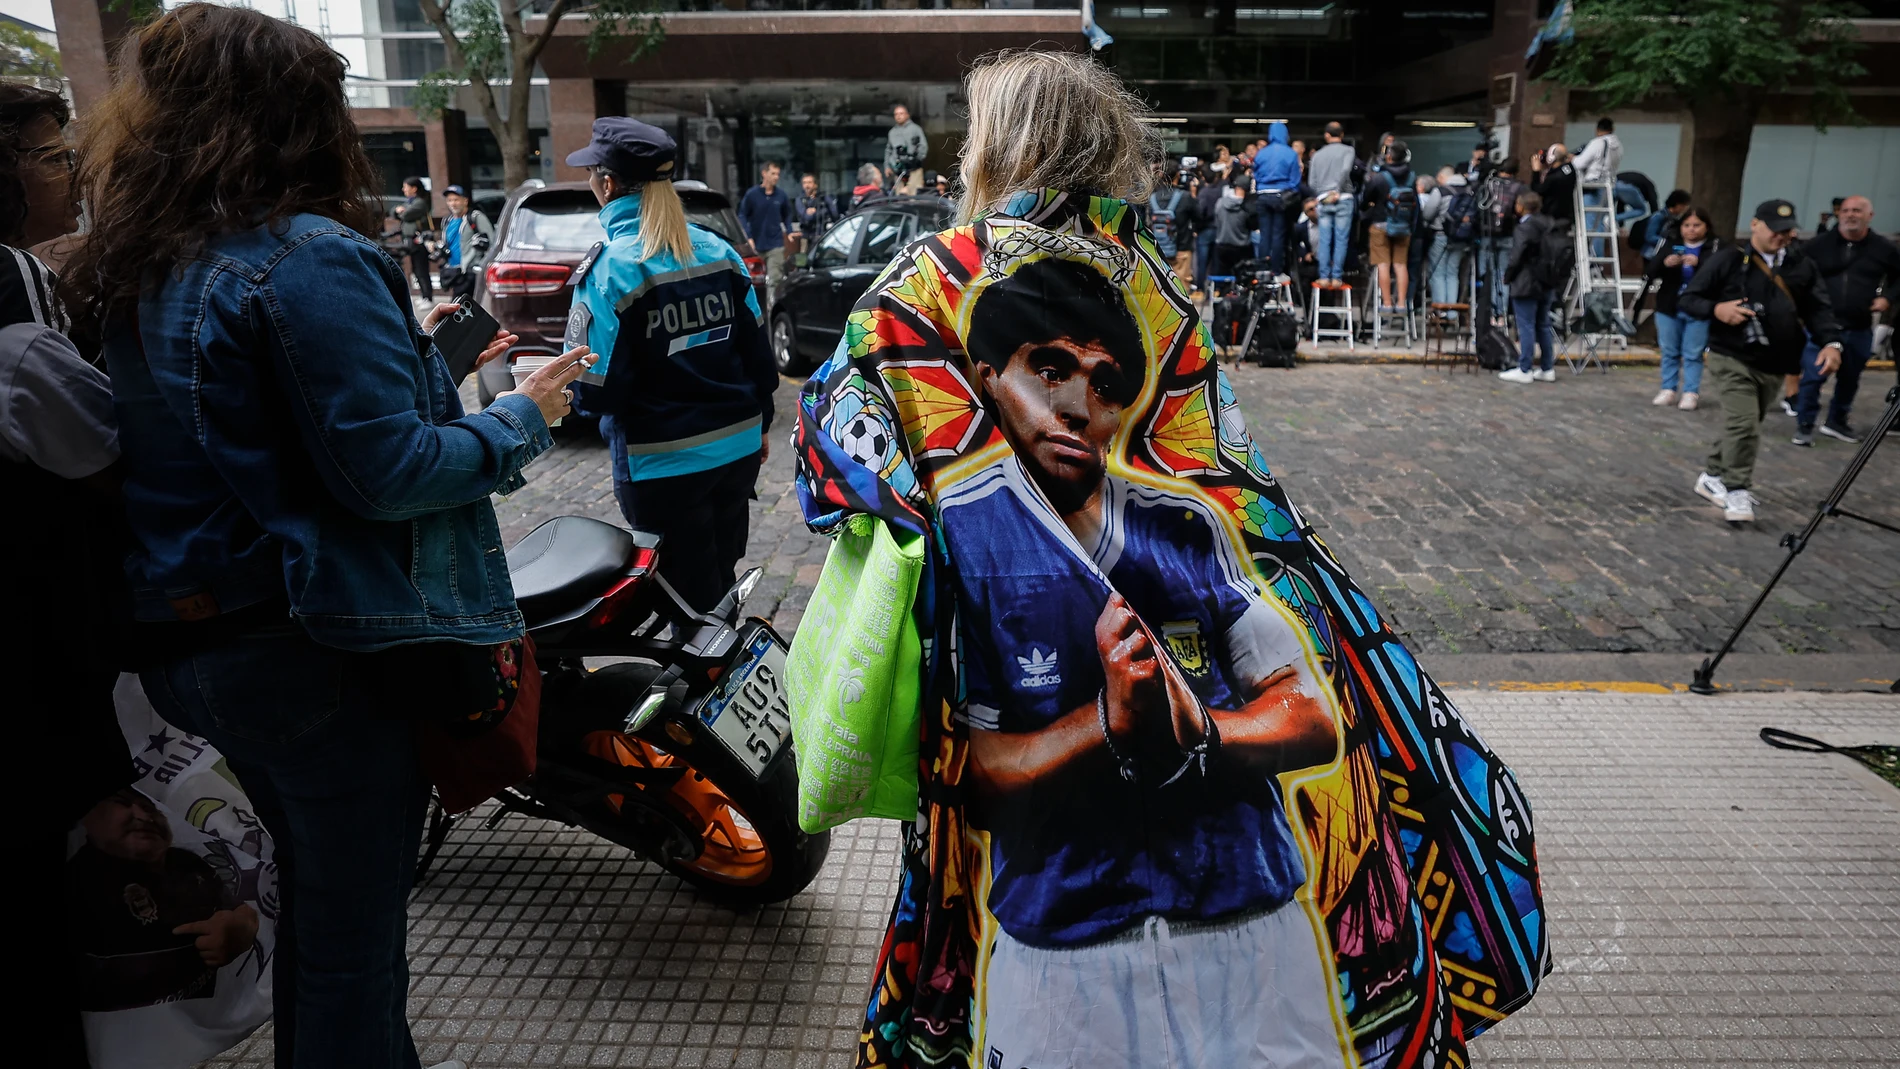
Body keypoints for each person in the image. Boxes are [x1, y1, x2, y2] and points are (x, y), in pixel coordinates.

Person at [796, 49, 1544, 1069]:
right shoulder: (1161, 294)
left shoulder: (913, 295)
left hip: (1042, 878)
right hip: (1242, 879)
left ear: (994, 147)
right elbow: (1234, 482)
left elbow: (832, 476)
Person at [64, 7, 591, 1065]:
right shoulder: (306, 257)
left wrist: (415, 366)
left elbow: (267, 442)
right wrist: (522, 416)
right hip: (311, 650)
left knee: (314, 906)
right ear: (299, 113)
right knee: (353, 944)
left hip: (194, 643)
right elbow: (387, 475)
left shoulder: (138, 259)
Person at [0, 79, 135, 1065]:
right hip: (33, 640)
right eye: (51, 155)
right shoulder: (12, 284)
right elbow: (92, 445)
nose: (71, 170)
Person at [563, 118, 777, 613]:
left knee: (684, 598)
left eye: (591, 174)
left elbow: (598, 391)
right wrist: (760, 424)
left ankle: (707, 683)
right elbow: (758, 360)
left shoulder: (611, 269)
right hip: (739, 449)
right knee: (720, 578)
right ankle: (731, 670)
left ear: (608, 183)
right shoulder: (720, 251)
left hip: (661, 463)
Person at [1680, 199, 1843, 524]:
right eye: (1775, 229)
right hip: (1732, 356)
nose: (1781, 236)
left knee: (1745, 424)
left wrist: (1831, 343)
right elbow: (1689, 298)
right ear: (1755, 225)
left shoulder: (1800, 263)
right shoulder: (1728, 259)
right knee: (1743, 424)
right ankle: (1737, 488)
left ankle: (1712, 474)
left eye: (1787, 231)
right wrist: (1717, 310)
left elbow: (1819, 308)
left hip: (1775, 362)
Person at [67, 787, 260, 1011]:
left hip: (199, 1020)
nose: (143, 816)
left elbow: (243, 912)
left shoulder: (188, 863)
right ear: (88, 820)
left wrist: (241, 930)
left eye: (150, 808)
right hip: (133, 1036)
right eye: (121, 804)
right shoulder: (78, 884)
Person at [1791, 194, 1899, 446]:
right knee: (1813, 376)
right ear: (1839, 214)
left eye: (1857, 211)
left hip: (1859, 324)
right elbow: (1796, 274)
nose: (1851, 215)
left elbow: (1898, 277)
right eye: (1847, 210)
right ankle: (1805, 424)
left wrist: (1889, 299)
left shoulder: (1883, 248)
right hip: (1821, 324)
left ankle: (1836, 421)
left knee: (1850, 377)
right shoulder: (1818, 245)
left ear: (1869, 216)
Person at [1644, 206, 1720, 410]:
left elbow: (1719, 276)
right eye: (1687, 225)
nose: (1691, 230)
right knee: (1669, 350)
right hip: (1669, 305)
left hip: (1698, 307)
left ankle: (1690, 392)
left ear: (1706, 227)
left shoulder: (1713, 247)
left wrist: (1699, 264)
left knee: (1693, 352)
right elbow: (1650, 270)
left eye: (1697, 225)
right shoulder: (1670, 244)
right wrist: (1665, 263)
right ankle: (1668, 388)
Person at [1499, 190, 1558, 384]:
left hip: (1526, 280)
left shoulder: (1525, 228)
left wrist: (1507, 276)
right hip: (1547, 280)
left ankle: (1525, 368)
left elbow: (1517, 256)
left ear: (1521, 207)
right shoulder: (1549, 224)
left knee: (1526, 324)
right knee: (1543, 324)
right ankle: (1547, 367)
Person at [1360, 139, 1415, 313]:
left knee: (1383, 264)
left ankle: (1386, 303)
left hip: (1380, 223)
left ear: (1388, 157)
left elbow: (1366, 198)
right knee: (1400, 265)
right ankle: (1401, 303)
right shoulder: (1412, 177)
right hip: (1403, 226)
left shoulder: (1379, 178)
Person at [1305, 122, 1357, 289]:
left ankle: (1324, 276)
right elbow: (1346, 170)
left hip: (1323, 198)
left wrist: (1323, 193)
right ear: (1341, 135)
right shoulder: (1348, 150)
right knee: (1341, 239)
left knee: (1325, 239)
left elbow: (1312, 182)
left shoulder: (1317, 155)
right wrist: (1337, 190)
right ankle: (1336, 277)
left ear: (1326, 136)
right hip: (1343, 197)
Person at [1250, 121, 1300, 276]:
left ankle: (1262, 268)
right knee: (1278, 234)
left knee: (1265, 234)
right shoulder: (1290, 153)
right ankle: (1276, 270)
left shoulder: (1262, 153)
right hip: (1281, 197)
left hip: (1263, 196)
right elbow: (1295, 180)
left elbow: (1256, 175)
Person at [739, 161, 798, 291]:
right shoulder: (752, 194)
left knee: (775, 279)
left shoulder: (781, 195)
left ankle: (772, 307)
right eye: (773, 173)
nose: (776, 177)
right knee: (754, 281)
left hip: (775, 244)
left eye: (778, 174)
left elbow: (787, 215)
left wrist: (789, 231)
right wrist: (748, 237)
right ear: (764, 174)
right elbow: (742, 214)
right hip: (756, 244)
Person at [1477, 156, 1525, 315]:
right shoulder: (1520, 187)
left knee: (1486, 274)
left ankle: (1487, 312)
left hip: (1487, 233)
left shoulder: (1488, 184)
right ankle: (1501, 314)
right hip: (1508, 233)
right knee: (1503, 275)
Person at [436, 183, 493, 301]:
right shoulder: (447, 220)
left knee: (457, 306)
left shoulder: (475, 217)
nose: (453, 203)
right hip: (453, 271)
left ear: (465, 201)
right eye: (450, 200)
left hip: (470, 271)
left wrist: (481, 266)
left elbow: (491, 244)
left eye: (456, 200)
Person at [391, 175, 434, 300]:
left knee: (421, 270)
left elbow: (405, 215)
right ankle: (424, 296)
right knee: (415, 269)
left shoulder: (420, 202)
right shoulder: (411, 202)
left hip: (420, 240)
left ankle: (428, 297)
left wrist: (401, 211)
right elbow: (393, 211)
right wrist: (398, 210)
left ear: (414, 188)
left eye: (406, 187)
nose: (403, 189)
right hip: (410, 240)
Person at [1210, 178, 1254, 279]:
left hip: (1222, 244)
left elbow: (1216, 222)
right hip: (1241, 247)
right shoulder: (1247, 207)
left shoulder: (1220, 203)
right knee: (1243, 277)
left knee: (1223, 276)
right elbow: (1251, 225)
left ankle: (1222, 291)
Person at [1191, 161, 1224, 293]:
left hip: (1205, 229)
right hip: (1218, 228)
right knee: (1216, 261)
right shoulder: (1220, 191)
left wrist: (1196, 228)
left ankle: (1200, 288)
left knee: (1202, 262)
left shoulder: (1204, 193)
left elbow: (1200, 212)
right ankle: (1216, 288)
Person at [886, 103, 929, 195]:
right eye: (896, 114)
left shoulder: (915, 129)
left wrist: (918, 159)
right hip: (898, 169)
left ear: (907, 115)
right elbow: (888, 150)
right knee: (899, 197)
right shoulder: (892, 132)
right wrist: (887, 166)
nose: (898, 116)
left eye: (901, 113)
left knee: (914, 194)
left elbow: (923, 146)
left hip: (914, 168)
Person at [1532, 143, 1576, 225]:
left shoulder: (1553, 178)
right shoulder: (1570, 170)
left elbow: (1538, 189)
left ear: (1551, 157)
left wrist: (1536, 171)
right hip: (1566, 214)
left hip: (1552, 216)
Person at [1641, 189, 1692, 257]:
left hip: (1663, 254)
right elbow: (1650, 236)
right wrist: (1667, 243)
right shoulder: (1659, 216)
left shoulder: (1674, 218)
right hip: (1651, 253)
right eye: (1684, 205)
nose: (1685, 208)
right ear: (1677, 204)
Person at [794, 171, 837, 246]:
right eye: (804, 183)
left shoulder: (823, 197)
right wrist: (823, 211)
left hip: (823, 235)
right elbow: (807, 218)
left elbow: (835, 214)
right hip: (807, 237)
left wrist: (816, 211)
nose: (807, 185)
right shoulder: (800, 199)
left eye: (809, 182)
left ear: (815, 185)